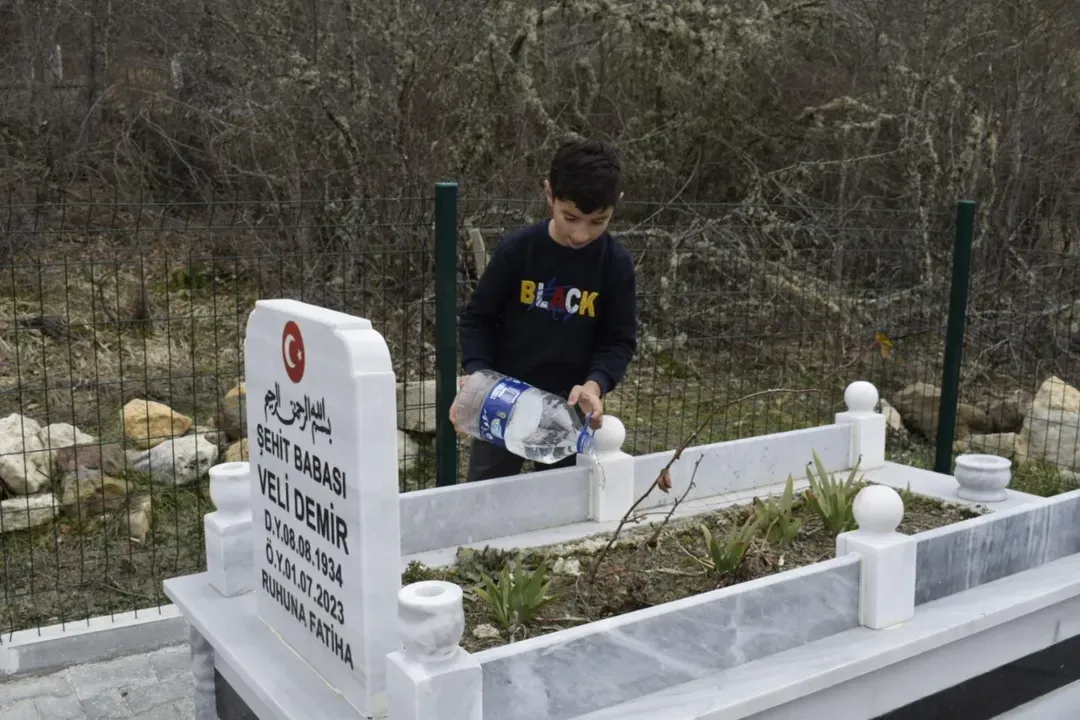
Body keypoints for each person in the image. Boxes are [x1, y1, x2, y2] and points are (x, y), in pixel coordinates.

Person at [451, 138, 638, 482]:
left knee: (565, 506)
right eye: (571, 218)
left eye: (598, 221)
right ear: (549, 194)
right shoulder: (517, 250)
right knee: (486, 499)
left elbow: (618, 340)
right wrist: (478, 377)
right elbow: (478, 319)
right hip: (502, 403)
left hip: (569, 412)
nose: (581, 234)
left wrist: (595, 385)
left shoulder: (616, 265)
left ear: (617, 205)